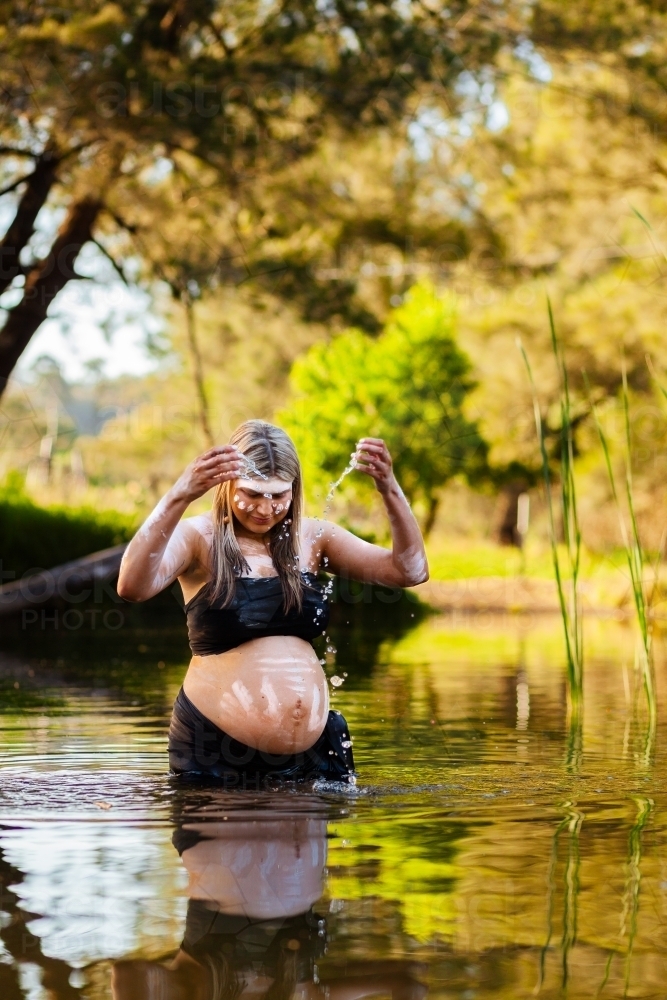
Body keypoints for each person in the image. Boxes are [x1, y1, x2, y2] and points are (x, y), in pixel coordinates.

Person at [117, 420, 428, 786]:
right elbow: (132, 586)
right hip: (216, 750)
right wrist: (179, 496)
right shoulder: (199, 537)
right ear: (226, 483)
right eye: (252, 493)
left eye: (279, 495)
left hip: (314, 755)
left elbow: (410, 570)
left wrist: (389, 489)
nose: (265, 509)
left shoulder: (314, 538)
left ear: (294, 490)